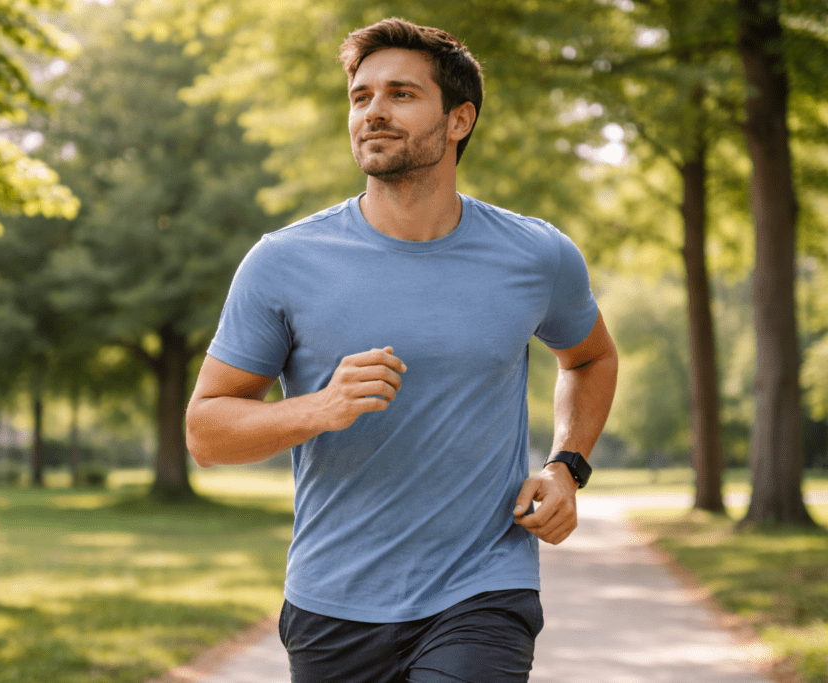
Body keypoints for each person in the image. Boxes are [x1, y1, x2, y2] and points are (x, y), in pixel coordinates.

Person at [185, 17, 618, 683]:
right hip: (332, 600)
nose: (373, 112)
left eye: (401, 94)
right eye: (361, 97)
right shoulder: (283, 261)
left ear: (459, 120)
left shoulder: (535, 254)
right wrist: (318, 408)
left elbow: (590, 357)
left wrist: (566, 466)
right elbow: (207, 431)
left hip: (482, 589)